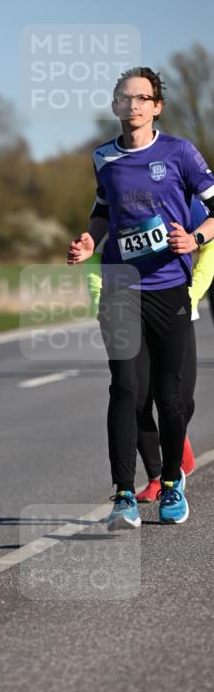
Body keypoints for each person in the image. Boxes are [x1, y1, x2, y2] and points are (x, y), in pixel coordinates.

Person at [68, 66, 214, 529]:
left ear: (156, 106)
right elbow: (102, 210)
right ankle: (123, 495)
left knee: (171, 397)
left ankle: (172, 481)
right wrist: (91, 241)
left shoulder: (179, 153)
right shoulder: (103, 157)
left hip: (168, 284)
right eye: (123, 98)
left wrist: (196, 238)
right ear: (115, 106)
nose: (131, 105)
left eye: (140, 98)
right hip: (120, 286)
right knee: (127, 391)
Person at [85, 201, 214, 502]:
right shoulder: (115, 187)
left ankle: (176, 446)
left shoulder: (183, 194)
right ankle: (158, 477)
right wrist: (100, 303)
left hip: (174, 307)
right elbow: (95, 254)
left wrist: (191, 294)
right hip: (126, 308)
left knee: (179, 398)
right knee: (136, 397)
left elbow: (209, 249)